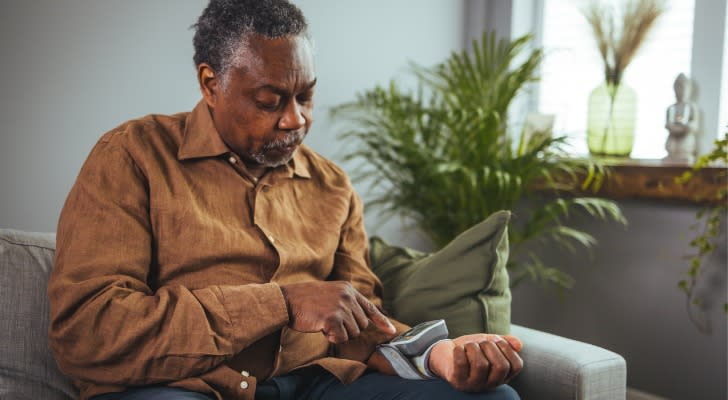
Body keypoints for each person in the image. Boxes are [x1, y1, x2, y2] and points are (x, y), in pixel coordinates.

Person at [48, 1, 523, 399]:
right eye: (270, 100)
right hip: (185, 386)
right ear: (211, 84)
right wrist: (281, 303)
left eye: (306, 97)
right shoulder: (133, 156)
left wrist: (437, 354)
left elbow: (362, 326)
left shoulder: (332, 185)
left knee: (495, 398)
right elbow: (88, 334)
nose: (295, 120)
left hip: (317, 382)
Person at [664, 73, 699, 163]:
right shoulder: (671, 108)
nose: (680, 91)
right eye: (678, 88)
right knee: (671, 146)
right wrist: (672, 127)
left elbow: (694, 124)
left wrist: (688, 127)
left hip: (685, 136)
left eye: (682, 87)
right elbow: (667, 124)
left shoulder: (692, 107)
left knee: (685, 147)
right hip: (673, 135)